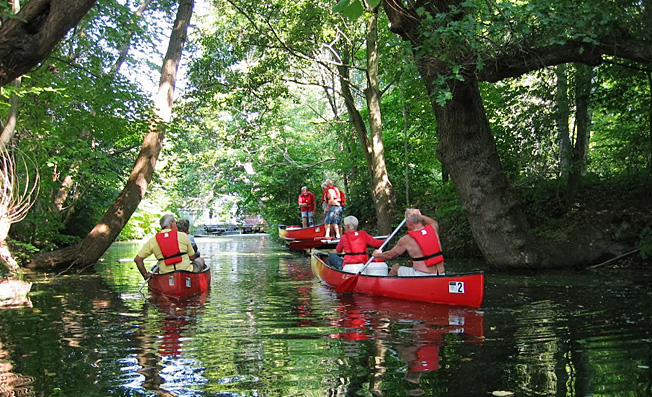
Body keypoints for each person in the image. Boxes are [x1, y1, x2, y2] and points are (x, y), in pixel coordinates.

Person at [372, 208, 445, 276]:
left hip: (422, 275)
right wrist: (418, 215)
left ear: (409, 222)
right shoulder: (433, 228)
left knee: (394, 268)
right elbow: (433, 221)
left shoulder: (406, 239)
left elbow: (390, 255)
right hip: (441, 274)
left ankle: (387, 288)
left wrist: (377, 255)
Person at [134, 214, 197, 279]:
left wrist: (145, 274)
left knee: (157, 269)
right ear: (172, 223)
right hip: (186, 272)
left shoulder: (153, 240)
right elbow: (192, 258)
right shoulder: (183, 236)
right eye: (175, 222)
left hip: (165, 274)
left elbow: (138, 259)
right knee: (200, 261)